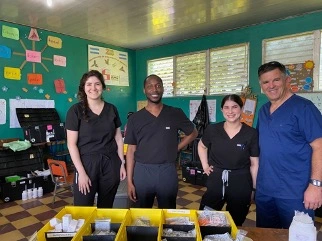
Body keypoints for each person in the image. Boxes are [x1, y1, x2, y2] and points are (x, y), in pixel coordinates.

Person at [256, 61, 322, 228]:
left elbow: (319, 146)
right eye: (266, 82)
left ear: (286, 80)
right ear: (261, 85)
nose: (271, 85)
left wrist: (315, 186)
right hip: (265, 190)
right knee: (267, 236)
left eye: (276, 80)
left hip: (295, 192)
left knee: (299, 236)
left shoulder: (304, 108)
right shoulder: (263, 111)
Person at [124, 74, 198, 208]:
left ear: (163, 88)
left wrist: (177, 147)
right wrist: (129, 181)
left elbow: (193, 132)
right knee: (141, 214)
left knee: (168, 213)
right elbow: (131, 150)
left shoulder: (174, 113)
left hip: (167, 171)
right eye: (150, 86)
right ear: (144, 90)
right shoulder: (135, 118)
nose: (155, 89)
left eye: (158, 85)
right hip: (142, 171)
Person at [65, 70, 126, 208]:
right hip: (86, 164)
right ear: (83, 87)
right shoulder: (75, 111)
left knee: (106, 208)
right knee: (83, 208)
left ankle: (102, 231)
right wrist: (81, 172)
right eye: (89, 84)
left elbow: (118, 138)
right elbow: (71, 144)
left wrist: (121, 163)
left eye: (97, 84)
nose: (93, 88)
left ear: (102, 87)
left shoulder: (111, 109)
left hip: (110, 163)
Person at [198, 94, 259, 226]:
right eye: (226, 107)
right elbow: (202, 146)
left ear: (241, 108)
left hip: (241, 182)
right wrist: (205, 166)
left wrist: (253, 189)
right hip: (216, 180)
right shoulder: (213, 130)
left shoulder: (251, 133)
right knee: (206, 220)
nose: (230, 111)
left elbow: (254, 164)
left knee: (235, 222)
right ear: (222, 110)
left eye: (234, 107)